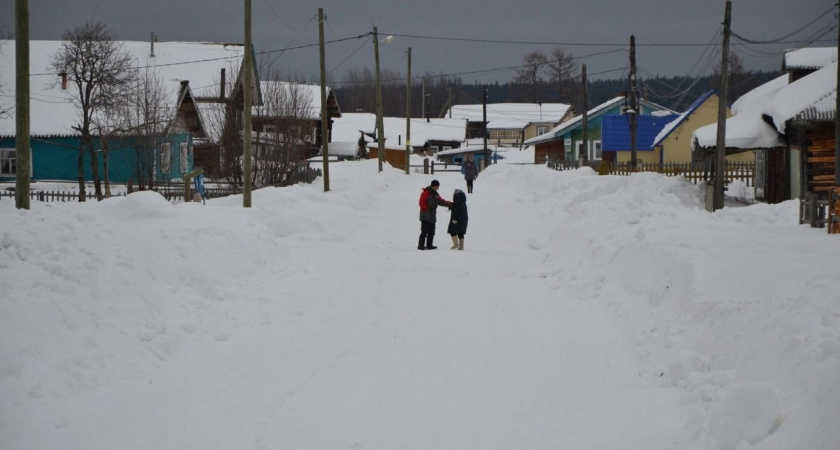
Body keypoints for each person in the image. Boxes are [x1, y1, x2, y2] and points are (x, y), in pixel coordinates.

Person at [418, 179, 452, 250]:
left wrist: (449, 203)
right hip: (425, 216)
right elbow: (421, 202)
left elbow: (441, 201)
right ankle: (421, 245)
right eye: (437, 186)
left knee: (432, 232)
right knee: (424, 231)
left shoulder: (436, 194)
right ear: (433, 186)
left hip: (432, 216)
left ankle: (429, 245)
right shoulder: (426, 193)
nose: (438, 188)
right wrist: (426, 210)